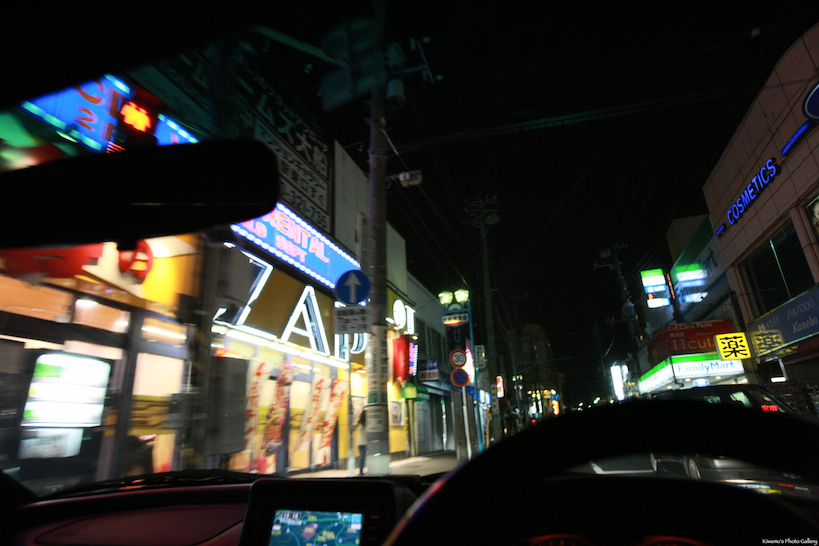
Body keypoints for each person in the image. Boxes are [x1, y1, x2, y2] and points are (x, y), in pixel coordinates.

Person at [356, 410, 367, 476]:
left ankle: (361, 471)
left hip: (359, 442)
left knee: (362, 457)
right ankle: (361, 472)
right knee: (363, 457)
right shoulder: (366, 424)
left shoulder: (359, 423)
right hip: (365, 442)